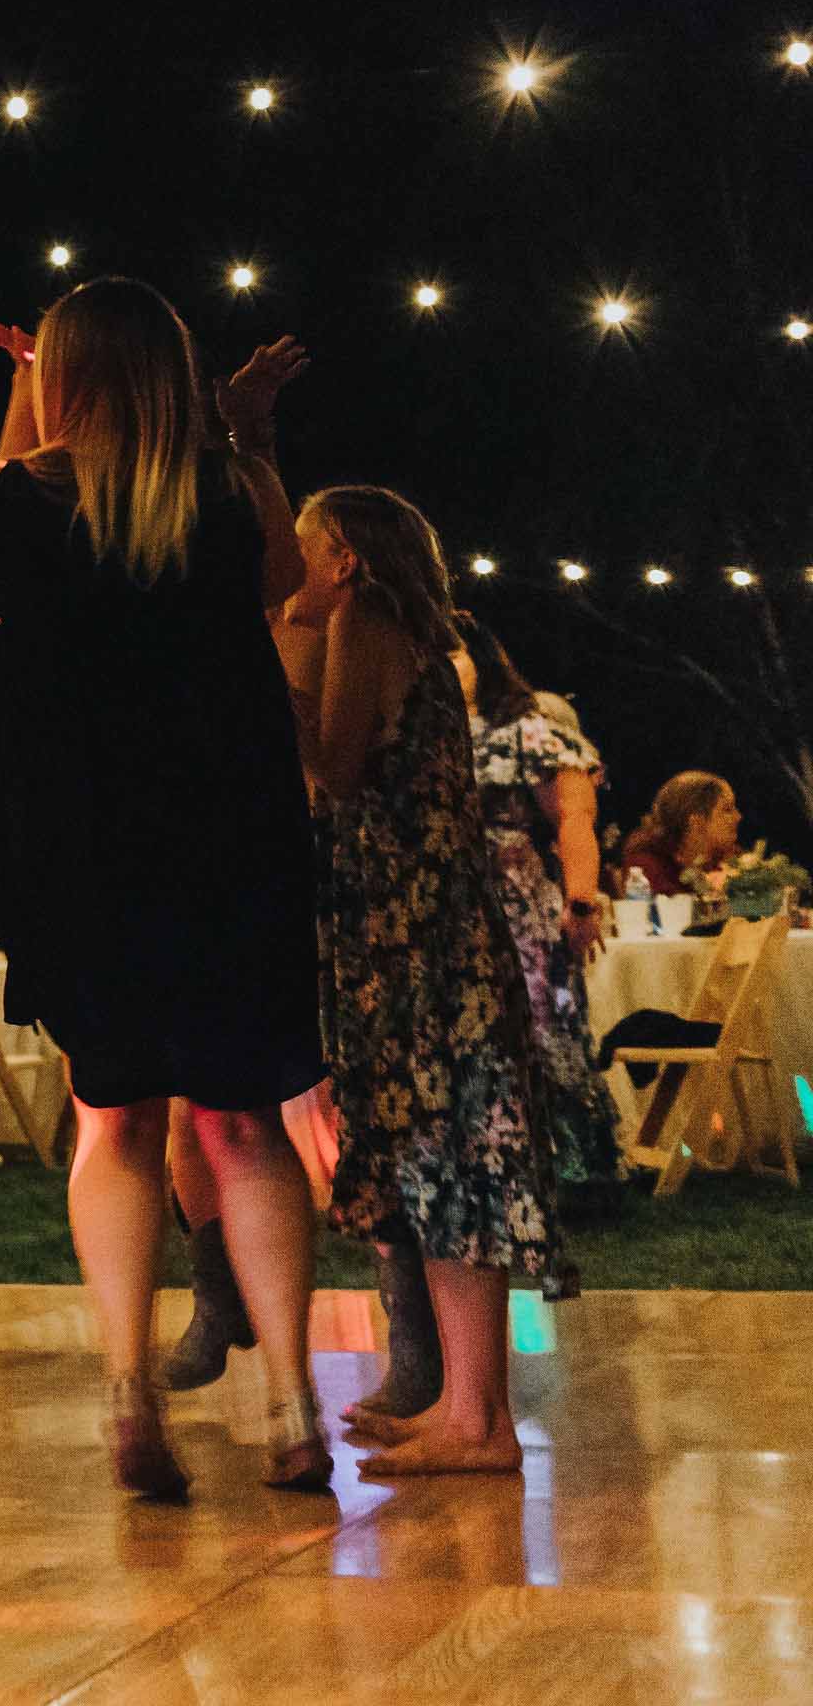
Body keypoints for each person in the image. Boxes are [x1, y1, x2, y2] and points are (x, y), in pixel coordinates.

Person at [0, 282, 333, 1499]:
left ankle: (129, 1385)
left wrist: (25, 391)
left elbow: (0, 507)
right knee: (245, 1126)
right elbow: (284, 585)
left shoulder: (7, 497)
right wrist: (242, 433)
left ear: (61, 376)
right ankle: (288, 1399)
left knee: (113, 1124)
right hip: (230, 842)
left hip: (83, 850)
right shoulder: (231, 494)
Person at [291, 484, 562, 1479]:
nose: (292, 570)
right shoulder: (413, 632)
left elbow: (340, 767)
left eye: (304, 550)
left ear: (347, 562)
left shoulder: (365, 621)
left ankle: (478, 1421)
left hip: (412, 934)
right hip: (436, 922)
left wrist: (274, 677)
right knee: (451, 1159)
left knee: (452, 1158)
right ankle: (468, 1403)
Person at [459, 617, 624, 1212]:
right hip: (441, 913)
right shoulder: (412, 737)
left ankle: (583, 1178)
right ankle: (483, 1172)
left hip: (516, 910)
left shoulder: (528, 733)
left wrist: (581, 899)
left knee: (544, 1032)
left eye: (454, 652)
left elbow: (573, 820)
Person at [616, 772, 740, 920]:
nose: (737, 817)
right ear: (696, 822)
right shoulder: (646, 862)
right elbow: (671, 917)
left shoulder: (722, 860)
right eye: (727, 810)